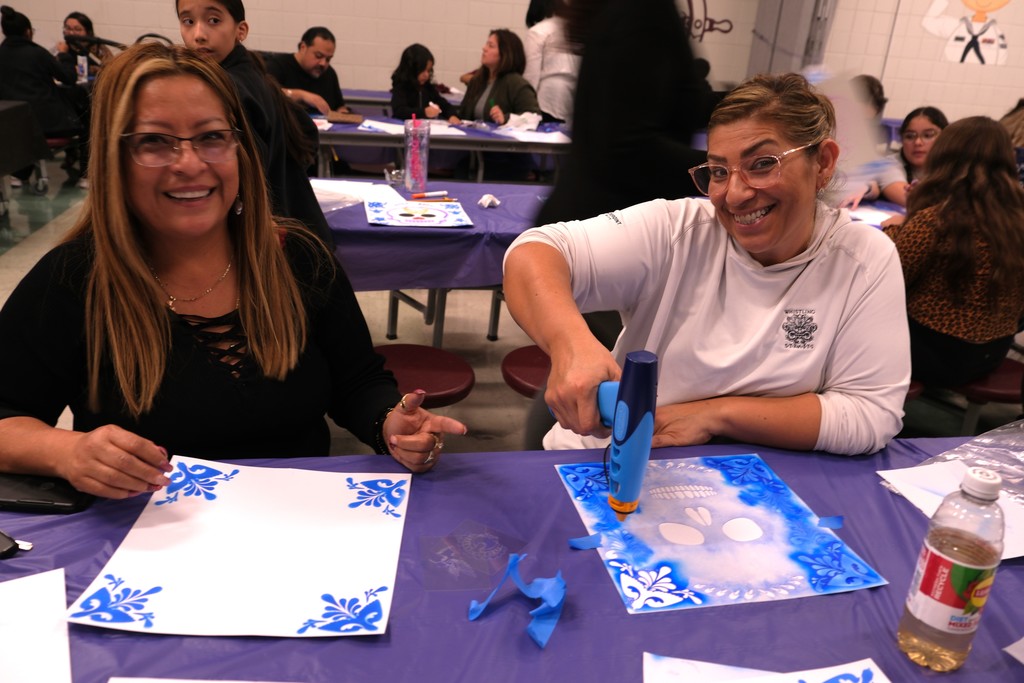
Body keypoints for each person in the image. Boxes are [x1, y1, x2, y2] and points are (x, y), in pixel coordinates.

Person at [0, 43, 467, 500]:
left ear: (240, 149)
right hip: (145, 554)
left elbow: (357, 381)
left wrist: (391, 423)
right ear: (113, 160)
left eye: (211, 137)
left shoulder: (298, 258)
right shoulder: (74, 280)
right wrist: (68, 452)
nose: (189, 163)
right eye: (154, 141)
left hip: (306, 534)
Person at [503, 72, 910, 456]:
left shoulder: (862, 259)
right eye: (718, 171)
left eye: (762, 164)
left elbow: (869, 414)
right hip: (610, 464)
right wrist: (571, 344)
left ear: (822, 162)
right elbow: (533, 252)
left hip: (748, 491)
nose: (734, 194)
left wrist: (712, 414)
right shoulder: (678, 230)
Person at [176, 0, 332, 244]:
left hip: (270, 242)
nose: (198, 35)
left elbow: (238, 188)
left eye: (213, 20)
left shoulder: (227, 88)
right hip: (297, 231)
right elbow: (307, 131)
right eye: (188, 21)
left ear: (241, 30)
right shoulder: (251, 73)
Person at [883, 116, 1024, 387]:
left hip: (930, 353)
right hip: (992, 352)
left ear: (944, 158)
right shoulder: (1016, 220)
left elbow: (892, 279)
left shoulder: (936, 221)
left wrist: (893, 230)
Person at [0, 5, 88, 184]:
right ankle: (86, 175)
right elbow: (69, 78)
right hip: (48, 124)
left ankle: (19, 174)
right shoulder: (37, 53)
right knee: (88, 120)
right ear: (28, 32)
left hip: (11, 126)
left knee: (25, 123)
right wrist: (63, 55)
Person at [458, 29, 540, 126]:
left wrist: (506, 118)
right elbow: (463, 114)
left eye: (491, 46)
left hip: (502, 140)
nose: (484, 48)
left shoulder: (516, 83)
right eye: (486, 44)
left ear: (505, 53)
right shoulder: (477, 80)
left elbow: (534, 116)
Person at [265, 26, 350, 116]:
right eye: (318, 56)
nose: (323, 63)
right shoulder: (278, 65)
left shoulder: (329, 73)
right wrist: (301, 95)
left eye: (328, 59)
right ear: (303, 47)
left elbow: (339, 106)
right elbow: (265, 93)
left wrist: (343, 114)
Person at [522, 1, 579, 123]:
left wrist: (525, 109)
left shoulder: (537, 31)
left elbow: (531, 75)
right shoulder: (573, 29)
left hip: (547, 100)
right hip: (573, 99)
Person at [389, 43, 459, 122]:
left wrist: (452, 115)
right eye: (422, 70)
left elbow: (444, 105)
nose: (426, 75)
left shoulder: (427, 88)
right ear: (411, 69)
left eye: (429, 71)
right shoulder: (401, 87)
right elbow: (400, 111)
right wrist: (424, 112)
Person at [898, 106, 948, 183]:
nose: (918, 142)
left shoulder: (958, 171)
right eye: (910, 136)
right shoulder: (890, 165)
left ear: (945, 137)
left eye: (928, 135)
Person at [56, 11, 114, 77]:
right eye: (68, 28)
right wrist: (63, 54)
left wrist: (88, 69)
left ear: (88, 32)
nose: (71, 33)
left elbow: (111, 70)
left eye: (77, 29)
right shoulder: (63, 48)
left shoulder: (98, 48)